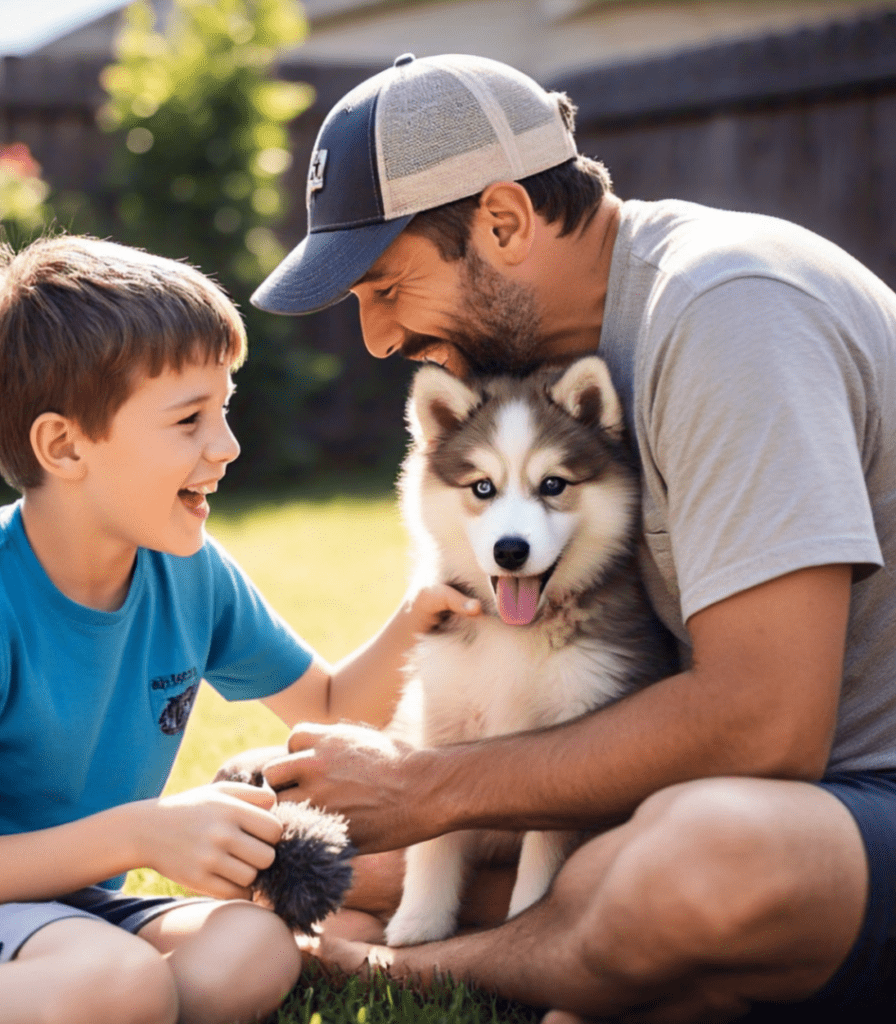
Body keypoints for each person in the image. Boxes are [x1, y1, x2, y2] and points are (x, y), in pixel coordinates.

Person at [248, 53, 896, 1021]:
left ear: (503, 221)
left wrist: (428, 786)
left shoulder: (728, 312)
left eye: (386, 287)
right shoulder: (571, 361)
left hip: (838, 792)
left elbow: (768, 724)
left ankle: (402, 968)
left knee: (700, 856)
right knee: (296, 840)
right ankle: (579, 951)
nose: (378, 339)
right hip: (726, 795)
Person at [0, 235, 475, 1024]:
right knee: (119, 982)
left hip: (72, 915)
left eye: (223, 410)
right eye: (190, 418)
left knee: (257, 947)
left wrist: (421, 610)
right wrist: (140, 834)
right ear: (63, 445)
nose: (225, 446)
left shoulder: (188, 572)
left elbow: (327, 704)